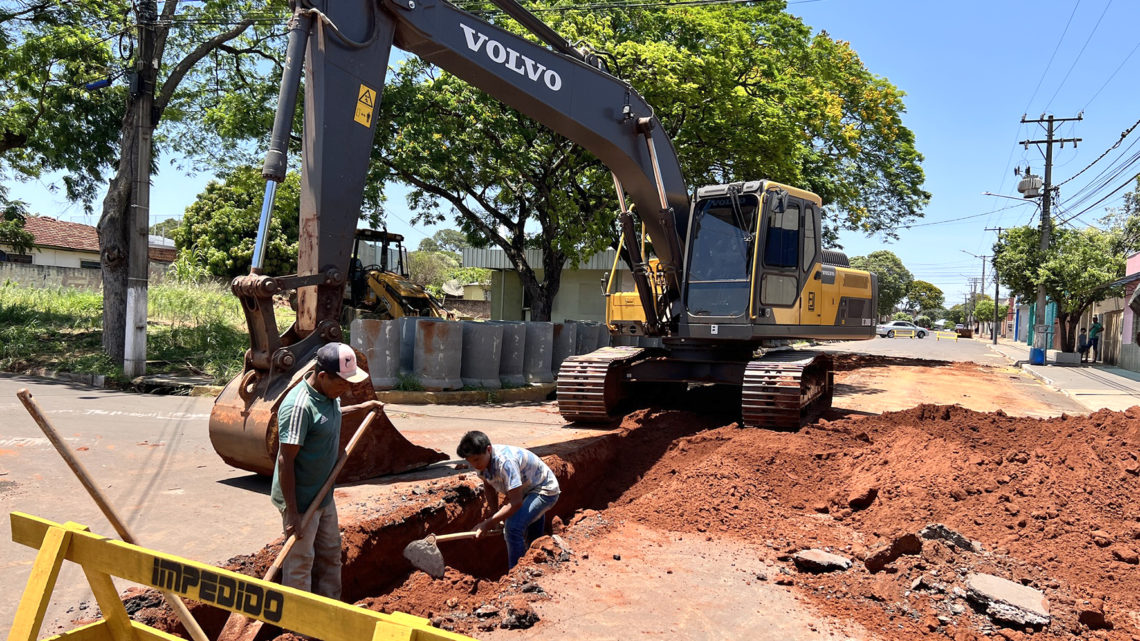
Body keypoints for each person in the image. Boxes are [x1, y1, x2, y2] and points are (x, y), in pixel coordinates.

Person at [270, 342, 381, 599]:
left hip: (323, 492)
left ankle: (330, 613)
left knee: (331, 554)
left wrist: (362, 408)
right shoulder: (298, 407)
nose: (348, 388)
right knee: (301, 562)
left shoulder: (329, 395)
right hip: (299, 499)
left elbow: (328, 415)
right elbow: (286, 461)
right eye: (343, 382)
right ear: (322, 376)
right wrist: (294, 513)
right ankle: (298, 628)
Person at [457, 431, 560, 570]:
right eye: (470, 462)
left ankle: (516, 576)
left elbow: (516, 502)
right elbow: (489, 486)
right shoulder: (483, 463)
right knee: (531, 536)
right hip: (525, 490)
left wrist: (487, 523)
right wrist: (496, 517)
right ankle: (538, 565)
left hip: (543, 489)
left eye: (476, 460)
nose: (475, 465)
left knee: (512, 527)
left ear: (488, 449)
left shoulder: (505, 462)